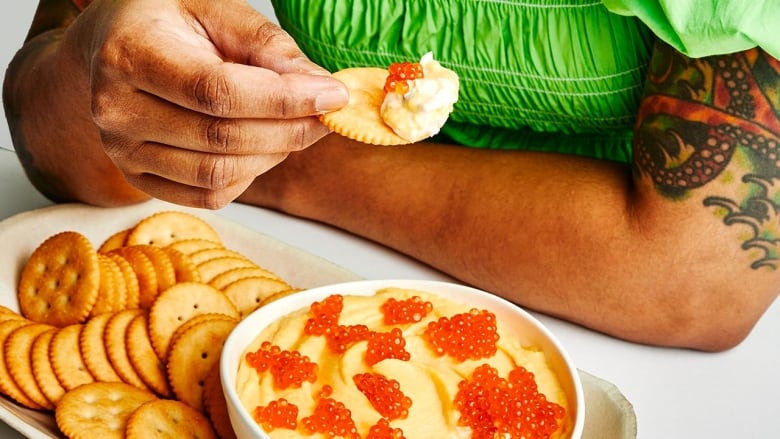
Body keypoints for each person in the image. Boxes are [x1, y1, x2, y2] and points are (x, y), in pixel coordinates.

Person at [4, 0, 778, 352]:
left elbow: (697, 276)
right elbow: (59, 141)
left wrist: (280, 161)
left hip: (595, 350)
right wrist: (92, 61)